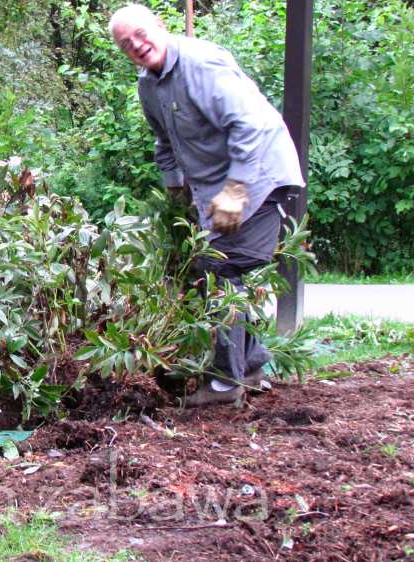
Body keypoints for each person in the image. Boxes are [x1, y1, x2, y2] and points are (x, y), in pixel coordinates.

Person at [109, 4, 305, 406]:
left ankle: (225, 382)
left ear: (159, 26)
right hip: (215, 188)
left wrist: (236, 190)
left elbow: (250, 126)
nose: (137, 46)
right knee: (209, 270)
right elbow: (165, 143)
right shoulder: (149, 86)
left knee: (218, 270)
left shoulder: (202, 63)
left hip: (258, 175)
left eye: (141, 34)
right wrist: (176, 196)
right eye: (127, 44)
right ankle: (250, 365)